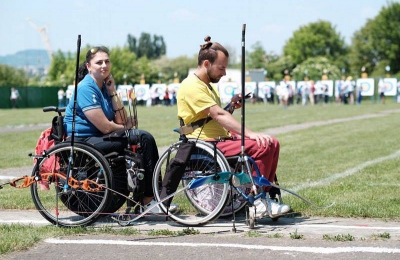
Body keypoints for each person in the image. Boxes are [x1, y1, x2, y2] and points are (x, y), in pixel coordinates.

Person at [176, 36, 290, 217]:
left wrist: (231, 107)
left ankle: (264, 196)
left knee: (272, 143)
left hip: (219, 139)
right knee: (261, 145)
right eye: (221, 68)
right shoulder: (192, 86)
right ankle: (257, 200)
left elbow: (213, 115)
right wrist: (250, 134)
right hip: (206, 143)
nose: (224, 73)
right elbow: (218, 115)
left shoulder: (207, 86)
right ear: (206, 64)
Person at [63, 46, 173, 213]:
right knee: (143, 138)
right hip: (84, 141)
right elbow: (106, 127)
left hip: (99, 137)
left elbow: (120, 119)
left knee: (141, 138)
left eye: (107, 61)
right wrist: (125, 127)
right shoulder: (86, 87)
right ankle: (149, 200)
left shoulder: (103, 86)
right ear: (88, 66)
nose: (104, 65)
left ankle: (146, 197)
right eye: (98, 62)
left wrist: (112, 91)